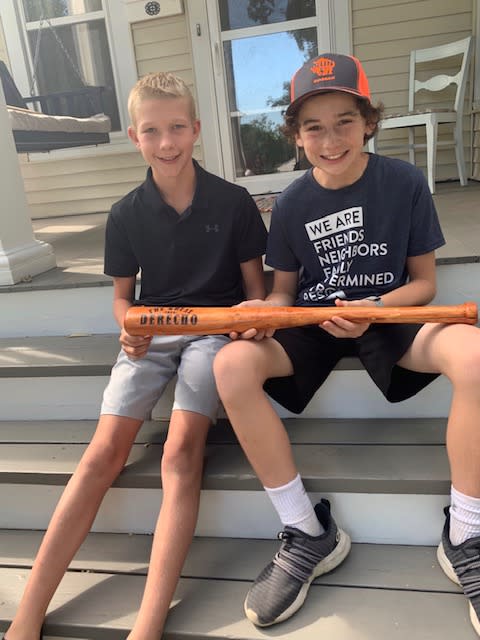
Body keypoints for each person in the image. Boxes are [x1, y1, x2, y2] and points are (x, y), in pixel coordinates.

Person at [213, 52, 480, 633]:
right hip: (314, 321)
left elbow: (425, 282)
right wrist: (264, 312)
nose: (330, 139)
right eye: (314, 126)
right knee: (231, 365)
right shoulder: (290, 203)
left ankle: (465, 535)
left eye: (344, 121)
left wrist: (375, 309)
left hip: (390, 313)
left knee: (476, 358)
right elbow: (286, 296)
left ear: (369, 122)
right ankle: (308, 532)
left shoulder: (405, 182)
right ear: (296, 134)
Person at [3, 71, 267, 640]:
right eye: (153, 131)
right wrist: (129, 330)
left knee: (178, 453)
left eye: (177, 128)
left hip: (213, 335)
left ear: (196, 129)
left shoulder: (235, 201)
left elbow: (256, 293)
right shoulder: (125, 214)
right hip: (152, 332)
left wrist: (250, 322)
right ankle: (29, 613)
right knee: (102, 454)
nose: (166, 142)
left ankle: (147, 625)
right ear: (134, 137)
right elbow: (123, 300)